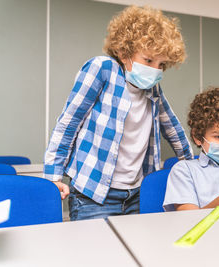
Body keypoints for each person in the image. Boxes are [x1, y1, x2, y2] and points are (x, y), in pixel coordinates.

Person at [44, 5, 193, 220]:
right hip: (94, 195)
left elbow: (173, 127)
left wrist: (191, 164)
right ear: (124, 52)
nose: (154, 70)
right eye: (148, 60)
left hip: (137, 194)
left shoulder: (153, 89)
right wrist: (53, 175)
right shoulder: (103, 69)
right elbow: (69, 123)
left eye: (161, 64)